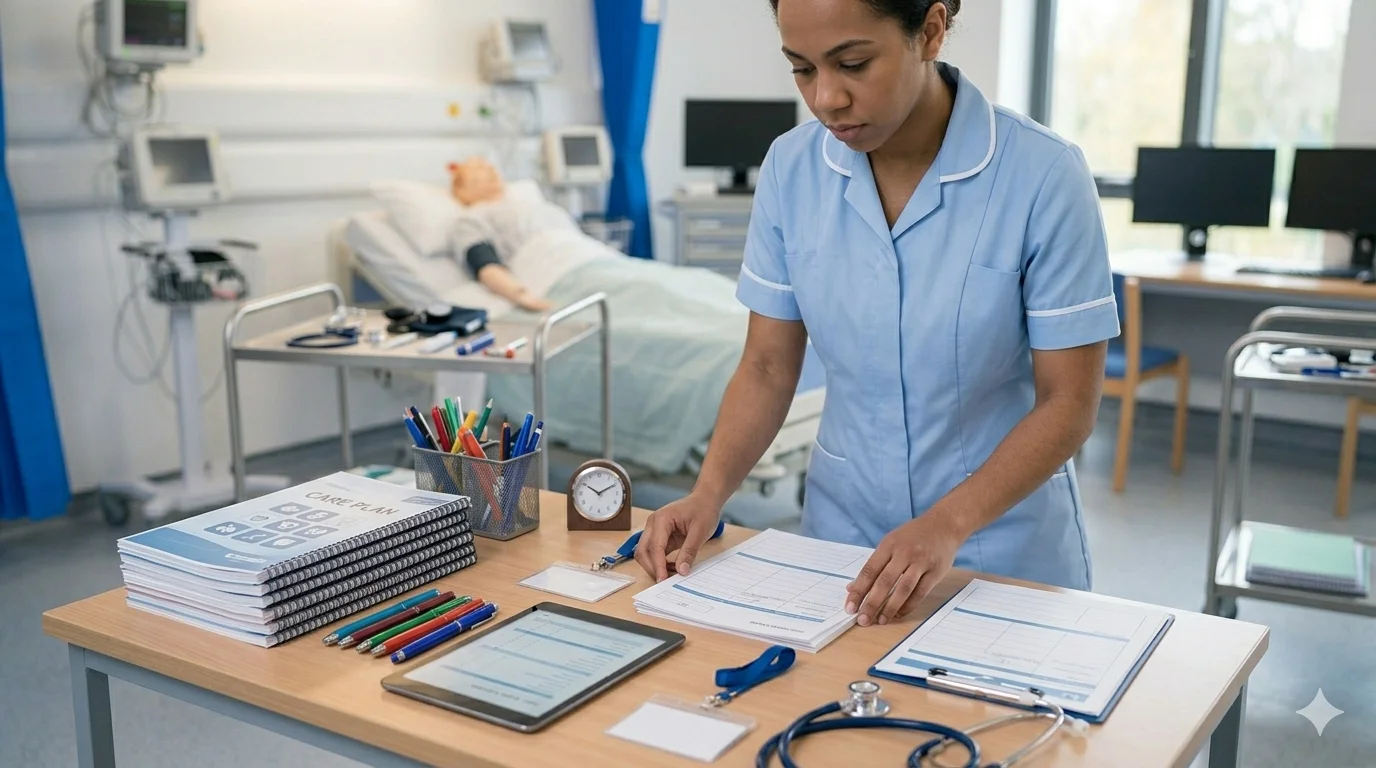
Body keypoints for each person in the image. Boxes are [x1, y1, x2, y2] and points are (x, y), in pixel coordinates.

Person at [633, 0, 1119, 630]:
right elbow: (766, 366)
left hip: (998, 543)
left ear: (932, 31)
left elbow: (1069, 405)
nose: (827, 98)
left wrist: (948, 522)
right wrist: (707, 494)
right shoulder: (791, 168)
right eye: (802, 70)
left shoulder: (1043, 174)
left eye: (853, 63)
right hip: (842, 540)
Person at [446, 157, 569, 313]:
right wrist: (521, 295)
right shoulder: (471, 219)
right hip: (559, 273)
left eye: (488, 164)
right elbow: (486, 266)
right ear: (463, 188)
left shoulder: (530, 205)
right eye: (478, 169)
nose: (490, 167)